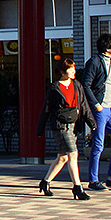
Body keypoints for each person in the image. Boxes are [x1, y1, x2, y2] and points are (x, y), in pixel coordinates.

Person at [36, 58, 97, 200]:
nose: (73, 72)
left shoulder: (77, 85)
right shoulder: (55, 88)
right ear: (63, 71)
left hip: (73, 125)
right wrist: (40, 129)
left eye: (74, 69)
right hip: (60, 126)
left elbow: (84, 105)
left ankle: (45, 182)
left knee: (63, 158)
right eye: (70, 69)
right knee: (73, 154)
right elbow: (46, 108)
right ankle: (77, 187)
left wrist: (92, 123)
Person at [83, 33, 111, 191]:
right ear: (107, 47)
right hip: (101, 110)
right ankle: (93, 180)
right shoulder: (94, 62)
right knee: (98, 144)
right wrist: (96, 105)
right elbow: (86, 85)